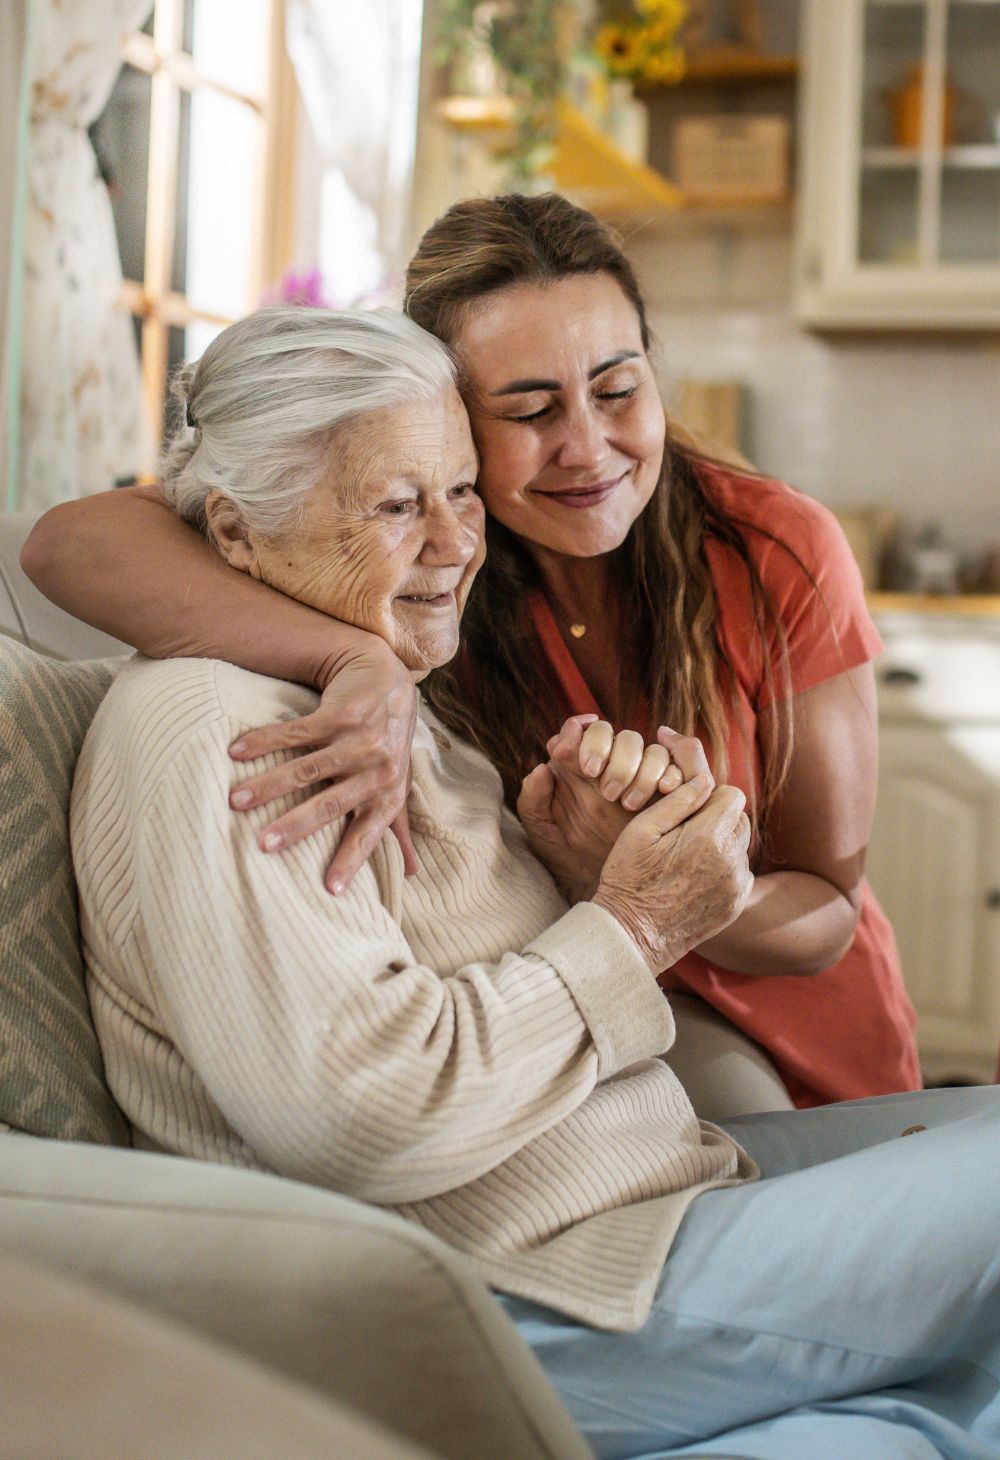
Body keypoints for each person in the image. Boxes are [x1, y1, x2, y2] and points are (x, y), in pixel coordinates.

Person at [69, 307, 1000, 1460]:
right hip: (544, 1287)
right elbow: (363, 1110)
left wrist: (580, 864)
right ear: (235, 529)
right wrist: (635, 918)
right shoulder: (227, 734)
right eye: (397, 504)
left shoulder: (370, 693)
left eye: (461, 492)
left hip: (648, 1204)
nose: (458, 542)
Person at [26, 194, 919, 1114]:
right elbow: (66, 545)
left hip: (804, 1032)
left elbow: (827, 910)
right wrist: (354, 660)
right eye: (529, 409)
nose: (588, 448)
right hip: (582, 1032)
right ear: (448, 415)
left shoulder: (771, 550)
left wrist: (668, 885)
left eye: (618, 391)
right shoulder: (428, 572)